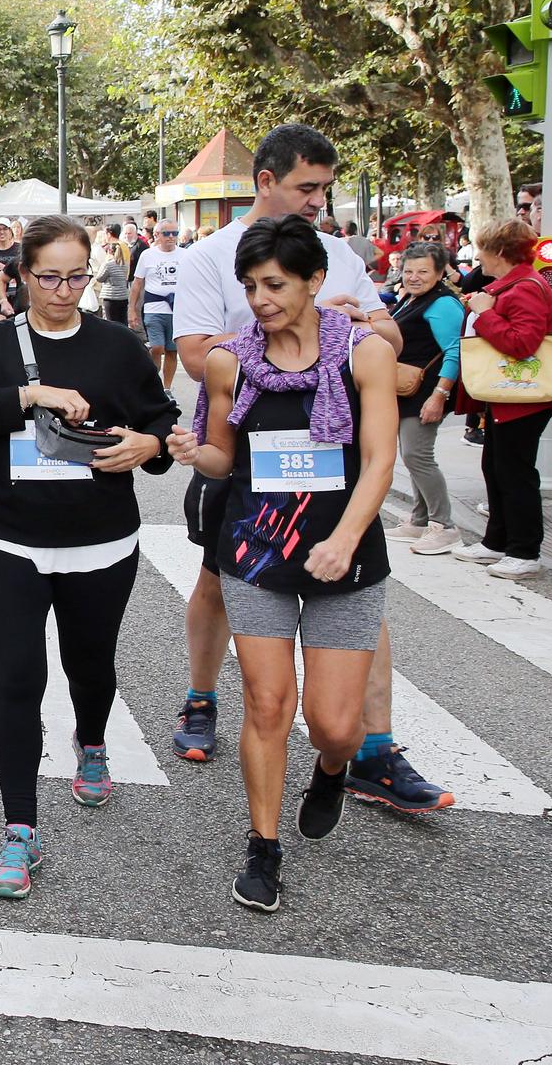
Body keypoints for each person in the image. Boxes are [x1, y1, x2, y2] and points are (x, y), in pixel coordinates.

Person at [166, 124, 440, 822]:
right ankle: (204, 700)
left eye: (325, 188)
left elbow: (389, 338)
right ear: (266, 181)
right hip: (253, 473)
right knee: (216, 590)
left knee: (347, 635)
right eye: (306, 187)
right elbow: (196, 353)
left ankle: (355, 745)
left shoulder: (340, 259)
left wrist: (345, 329)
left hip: (337, 485)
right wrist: (272, 346)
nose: (319, 199)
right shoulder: (209, 257)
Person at [0, 216, 179, 899]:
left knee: (89, 663)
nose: (63, 291)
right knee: (16, 676)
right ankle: (20, 830)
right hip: (4, 537)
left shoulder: (118, 347)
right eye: (49, 277)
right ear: (21, 275)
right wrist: (28, 396)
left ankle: (91, 742)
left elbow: (162, 417)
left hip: (100, 538)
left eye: (76, 276)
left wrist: (148, 447)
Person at [166, 216, 398, 914]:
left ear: (315, 281)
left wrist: (346, 537)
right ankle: (262, 849)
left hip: (343, 558)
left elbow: (381, 459)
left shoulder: (364, 354)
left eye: (274, 284)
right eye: (250, 285)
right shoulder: (228, 361)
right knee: (268, 703)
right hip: (256, 552)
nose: (260, 299)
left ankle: (332, 770)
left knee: (334, 724)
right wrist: (189, 451)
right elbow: (221, 457)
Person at [451, 219, 552, 581]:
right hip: (510, 395)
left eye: (482, 248)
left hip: (523, 397)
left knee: (515, 474)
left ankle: (523, 550)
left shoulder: (526, 287)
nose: (478, 256)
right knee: (497, 468)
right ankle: (497, 542)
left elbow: (522, 343)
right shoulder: (514, 285)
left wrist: (484, 313)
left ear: (499, 251)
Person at [384, 242, 465, 556]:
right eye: (409, 270)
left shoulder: (443, 304)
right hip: (411, 391)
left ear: (440, 272)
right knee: (413, 455)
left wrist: (439, 395)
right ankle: (419, 519)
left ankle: (444, 526)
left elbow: (455, 350)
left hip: (427, 393)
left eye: (423, 271)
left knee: (418, 456)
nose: (414, 277)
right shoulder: (414, 298)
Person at [130, 219, 184, 391]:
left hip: (178, 309)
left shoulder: (186, 254)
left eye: (174, 233)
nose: (171, 237)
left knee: (171, 350)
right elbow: (137, 284)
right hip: (154, 308)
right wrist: (132, 309)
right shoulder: (148, 255)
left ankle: (166, 388)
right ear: (157, 235)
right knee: (157, 347)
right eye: (166, 233)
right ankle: (154, 381)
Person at [96, 226, 132, 326]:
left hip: (110, 296)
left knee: (110, 322)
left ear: (110, 251)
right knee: (123, 321)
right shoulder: (124, 264)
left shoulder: (108, 264)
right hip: (123, 295)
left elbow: (100, 278)